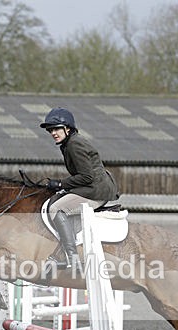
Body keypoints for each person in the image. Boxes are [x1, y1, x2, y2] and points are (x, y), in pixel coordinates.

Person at [39, 107, 120, 270]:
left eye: (56, 129)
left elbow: (86, 177)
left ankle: (72, 258)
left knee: (56, 209)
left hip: (96, 190)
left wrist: (61, 184)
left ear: (67, 128)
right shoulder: (69, 143)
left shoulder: (74, 144)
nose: (53, 133)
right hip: (92, 187)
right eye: (50, 130)